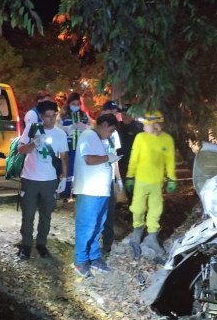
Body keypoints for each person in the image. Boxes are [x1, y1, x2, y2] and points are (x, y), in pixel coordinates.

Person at [17, 100, 69, 259]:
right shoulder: (31, 129)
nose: (51, 120)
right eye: (47, 117)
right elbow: (20, 150)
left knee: (46, 214)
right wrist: (34, 143)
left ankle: (41, 243)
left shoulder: (60, 133)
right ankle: (26, 244)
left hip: (50, 180)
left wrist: (64, 178)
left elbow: (64, 157)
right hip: (30, 178)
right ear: (40, 116)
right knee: (28, 214)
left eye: (54, 116)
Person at [72, 113, 120, 277]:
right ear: (105, 124)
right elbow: (89, 160)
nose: (111, 134)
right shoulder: (89, 135)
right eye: (111, 130)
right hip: (89, 190)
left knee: (98, 226)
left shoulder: (101, 139)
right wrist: (109, 157)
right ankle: (80, 260)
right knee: (86, 226)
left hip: (101, 191)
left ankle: (94, 256)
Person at [125, 110, 177, 257]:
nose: (143, 127)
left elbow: (170, 161)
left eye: (146, 124)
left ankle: (152, 237)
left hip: (157, 182)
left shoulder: (167, 139)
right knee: (138, 208)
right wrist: (130, 176)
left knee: (156, 210)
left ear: (156, 125)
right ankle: (136, 234)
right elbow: (134, 158)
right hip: (141, 180)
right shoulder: (140, 138)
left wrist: (172, 178)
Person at [98, 101, 124, 255]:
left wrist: (118, 179)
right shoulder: (92, 133)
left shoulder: (114, 133)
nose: (116, 115)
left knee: (109, 214)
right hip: (95, 181)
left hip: (108, 179)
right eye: (114, 112)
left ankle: (107, 244)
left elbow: (115, 158)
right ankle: (92, 245)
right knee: (97, 213)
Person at [58, 92, 90, 199]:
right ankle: (66, 191)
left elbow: (89, 126)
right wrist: (68, 128)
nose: (75, 106)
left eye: (77, 104)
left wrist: (84, 126)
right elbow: (57, 127)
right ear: (69, 103)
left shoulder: (83, 115)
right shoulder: (63, 114)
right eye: (73, 103)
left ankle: (77, 190)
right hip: (68, 146)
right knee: (68, 168)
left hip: (80, 146)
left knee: (79, 169)